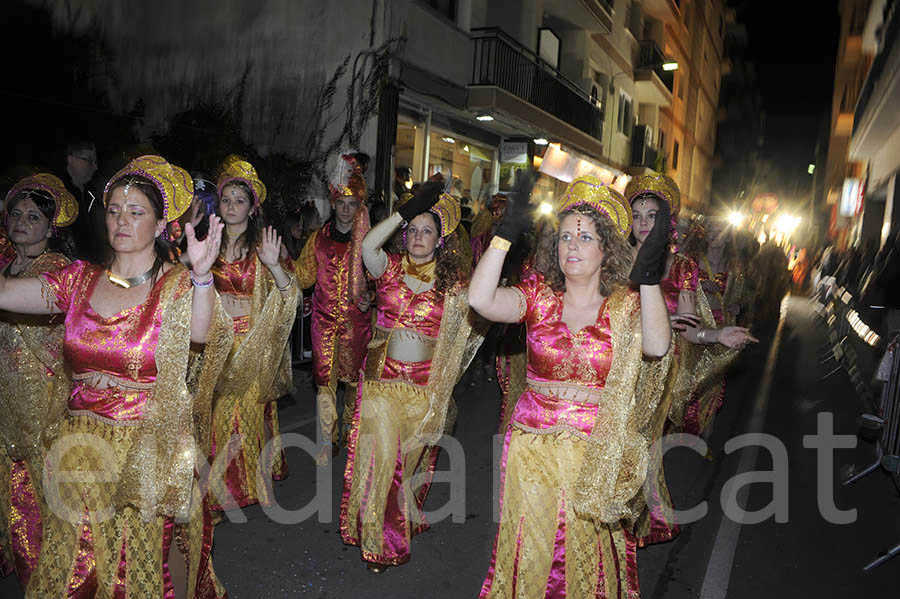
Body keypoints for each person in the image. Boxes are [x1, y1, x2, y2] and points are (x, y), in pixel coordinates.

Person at [0, 155, 233, 598]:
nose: (122, 220)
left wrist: (203, 277)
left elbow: (202, 333)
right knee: (70, 570)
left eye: (136, 211)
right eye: (114, 211)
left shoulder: (176, 285)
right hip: (77, 450)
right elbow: (7, 292)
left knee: (134, 572)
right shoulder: (78, 280)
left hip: (144, 452)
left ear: (163, 222)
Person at [470, 174, 673, 598]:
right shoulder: (539, 296)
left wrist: (649, 275)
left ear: (606, 249)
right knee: (534, 551)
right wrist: (505, 235)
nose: (572, 246)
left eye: (584, 237)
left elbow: (656, 346)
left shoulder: (625, 304)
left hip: (595, 453)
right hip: (533, 450)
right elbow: (481, 301)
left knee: (585, 558)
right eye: (564, 237)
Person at [340, 182, 484, 572]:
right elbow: (368, 245)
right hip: (381, 387)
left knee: (406, 467)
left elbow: (481, 310)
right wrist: (403, 213)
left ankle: (392, 527)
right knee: (381, 463)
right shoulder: (387, 270)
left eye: (427, 231)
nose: (419, 237)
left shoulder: (453, 287)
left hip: (423, 392)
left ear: (440, 240)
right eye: (413, 230)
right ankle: (377, 544)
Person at [625, 173, 756, 547]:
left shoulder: (682, 267)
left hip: (655, 371)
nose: (644, 223)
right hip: (616, 367)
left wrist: (717, 335)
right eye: (636, 215)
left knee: (638, 445)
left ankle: (634, 522)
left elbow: (686, 328)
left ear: (667, 221)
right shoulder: (612, 261)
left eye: (653, 215)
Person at [207, 158, 298, 512]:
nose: (231, 206)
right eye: (226, 200)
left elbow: (291, 296)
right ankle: (219, 485)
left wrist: (275, 264)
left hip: (251, 343)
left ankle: (238, 487)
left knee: (242, 417)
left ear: (252, 206)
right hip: (215, 342)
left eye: (239, 200)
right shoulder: (208, 242)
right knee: (215, 417)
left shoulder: (265, 244)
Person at [0, 174, 76, 586]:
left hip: (44, 406)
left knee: (38, 503)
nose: (22, 221)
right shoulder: (6, 265)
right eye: (16, 213)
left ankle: (47, 580)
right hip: (5, 400)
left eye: (34, 216)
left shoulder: (57, 271)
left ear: (52, 228)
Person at [295, 153, 373, 463]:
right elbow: (303, 276)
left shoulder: (367, 244)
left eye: (352, 204)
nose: (345, 209)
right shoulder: (317, 240)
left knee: (353, 382)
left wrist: (373, 296)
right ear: (334, 204)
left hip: (357, 324)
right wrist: (279, 263)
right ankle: (327, 441)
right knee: (324, 382)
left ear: (359, 208)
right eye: (341, 203)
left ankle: (351, 434)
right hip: (324, 322)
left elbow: (382, 278)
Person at [62, 140, 107, 263]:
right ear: (70, 159)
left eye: (95, 162)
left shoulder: (91, 194)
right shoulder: (60, 197)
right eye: (88, 161)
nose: (95, 167)